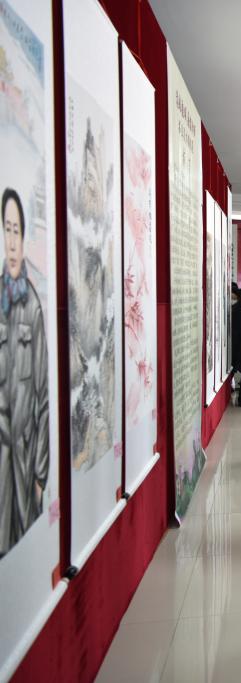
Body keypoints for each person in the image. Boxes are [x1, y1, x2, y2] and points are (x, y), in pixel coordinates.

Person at [1, 188, 49, 556]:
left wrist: (41, 474)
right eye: (8, 229)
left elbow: (44, 396)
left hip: (26, 459)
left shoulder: (32, 303)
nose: (13, 240)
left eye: (18, 230)